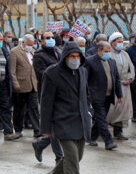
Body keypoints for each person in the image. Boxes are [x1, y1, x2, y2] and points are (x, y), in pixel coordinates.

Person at [40, 42, 92, 174]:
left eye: (77, 56)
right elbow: (46, 103)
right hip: (63, 122)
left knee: (75, 157)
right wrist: (45, 128)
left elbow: (86, 95)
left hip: (81, 122)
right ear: (65, 58)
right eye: (72, 56)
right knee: (72, 163)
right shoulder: (51, 74)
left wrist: (89, 113)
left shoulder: (83, 71)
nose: (75, 59)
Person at [32, 32, 63, 164]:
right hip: (47, 95)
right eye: (48, 38)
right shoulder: (39, 56)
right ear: (42, 41)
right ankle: (59, 157)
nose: (51, 40)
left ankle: (41, 144)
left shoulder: (59, 53)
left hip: (62, 94)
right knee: (54, 126)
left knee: (59, 126)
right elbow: (43, 74)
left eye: (53, 38)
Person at [85, 41, 122, 150]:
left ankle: (91, 137)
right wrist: (88, 95)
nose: (108, 53)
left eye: (109, 51)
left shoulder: (112, 61)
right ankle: (108, 141)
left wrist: (119, 94)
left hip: (108, 96)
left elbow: (117, 79)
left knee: (101, 118)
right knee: (102, 119)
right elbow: (85, 80)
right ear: (99, 50)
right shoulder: (90, 61)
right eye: (106, 51)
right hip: (96, 96)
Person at [9, 34, 41, 138]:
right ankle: (18, 130)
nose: (30, 46)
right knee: (19, 109)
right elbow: (12, 71)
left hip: (32, 85)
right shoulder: (14, 52)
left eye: (32, 44)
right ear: (23, 42)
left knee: (34, 108)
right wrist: (15, 84)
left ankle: (37, 129)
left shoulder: (33, 52)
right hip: (20, 86)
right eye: (29, 44)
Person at [108, 32, 135, 140]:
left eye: (121, 42)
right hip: (114, 86)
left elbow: (131, 68)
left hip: (125, 86)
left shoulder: (125, 54)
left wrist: (130, 79)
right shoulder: (109, 54)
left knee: (123, 109)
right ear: (112, 43)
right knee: (114, 109)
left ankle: (118, 131)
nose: (120, 44)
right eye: (118, 42)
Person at [126, 35, 136, 122]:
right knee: (134, 97)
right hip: (134, 78)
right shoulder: (129, 51)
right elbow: (127, 65)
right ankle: (134, 115)